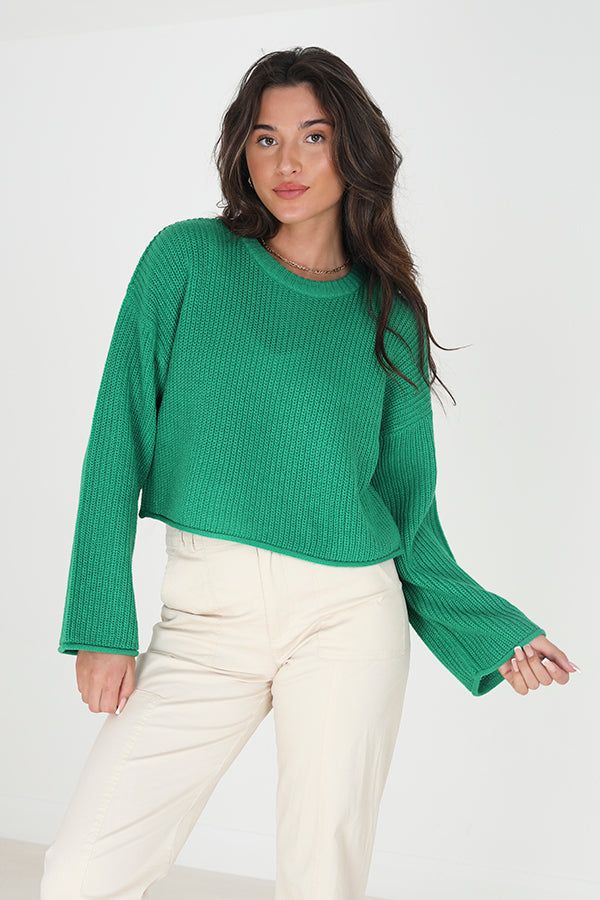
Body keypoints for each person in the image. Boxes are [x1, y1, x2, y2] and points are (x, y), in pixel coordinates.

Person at [41, 46, 579, 900]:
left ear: (353, 149)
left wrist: (492, 633)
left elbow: (408, 514)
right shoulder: (184, 261)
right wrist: (101, 622)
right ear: (241, 150)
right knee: (80, 874)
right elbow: (117, 443)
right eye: (265, 138)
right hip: (204, 620)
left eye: (313, 136)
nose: (286, 162)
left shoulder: (389, 311)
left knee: (321, 876)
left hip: (347, 617)